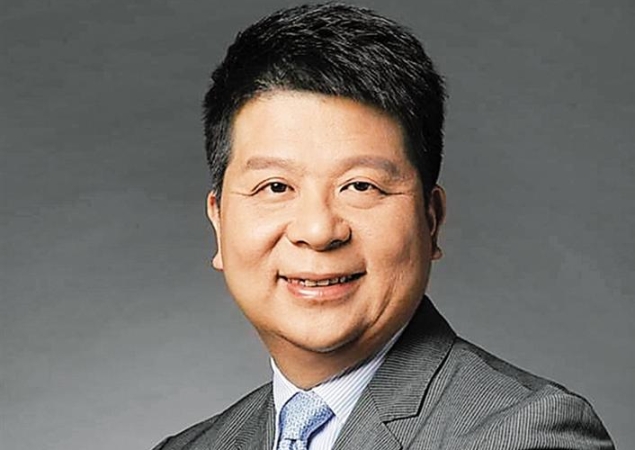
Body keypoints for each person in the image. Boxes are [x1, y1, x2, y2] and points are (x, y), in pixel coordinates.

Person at [153, 3, 614, 449]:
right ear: (219, 223)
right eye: (275, 187)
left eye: (360, 186)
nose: (318, 230)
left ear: (431, 221)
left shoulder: (528, 433)